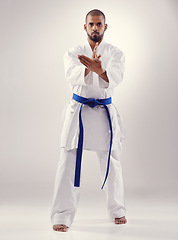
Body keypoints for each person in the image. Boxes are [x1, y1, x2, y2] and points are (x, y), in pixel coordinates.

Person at [51, 9, 127, 232]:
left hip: (103, 111)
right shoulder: (73, 52)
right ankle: (62, 214)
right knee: (67, 160)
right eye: (91, 24)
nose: (95, 28)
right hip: (79, 111)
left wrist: (100, 71)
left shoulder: (115, 53)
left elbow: (117, 76)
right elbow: (70, 75)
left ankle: (117, 209)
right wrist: (88, 69)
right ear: (85, 27)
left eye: (99, 24)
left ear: (105, 26)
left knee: (112, 160)